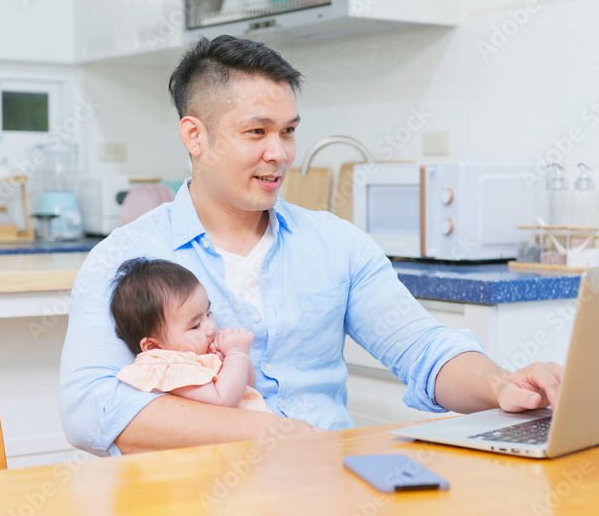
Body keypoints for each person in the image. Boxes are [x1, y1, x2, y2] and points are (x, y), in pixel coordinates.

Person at [59, 35, 563, 456]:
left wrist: (501, 385)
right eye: (256, 132)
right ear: (196, 136)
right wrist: (274, 435)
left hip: (329, 486)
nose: (279, 153)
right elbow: (91, 408)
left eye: (288, 132)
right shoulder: (122, 259)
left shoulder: (336, 243)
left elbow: (424, 350)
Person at [110, 257, 270, 413]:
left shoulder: (198, 355)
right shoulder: (168, 366)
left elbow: (247, 389)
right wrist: (237, 354)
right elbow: (224, 402)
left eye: (208, 313)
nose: (210, 328)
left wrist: (231, 360)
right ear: (153, 347)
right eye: (195, 326)